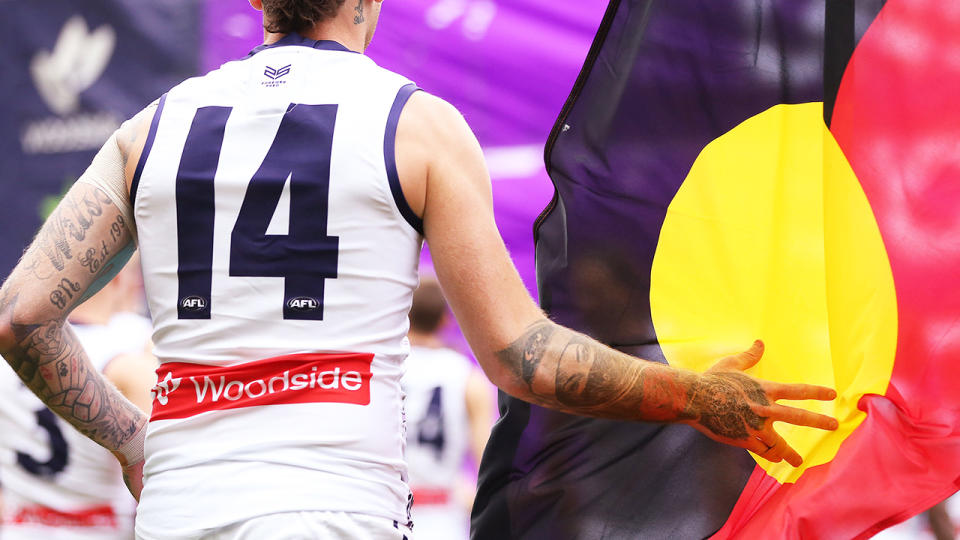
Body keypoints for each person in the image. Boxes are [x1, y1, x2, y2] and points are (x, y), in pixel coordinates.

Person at [0, 0, 840, 537]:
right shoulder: (416, 125)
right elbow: (521, 356)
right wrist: (694, 394)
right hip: (336, 510)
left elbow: (22, 315)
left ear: (255, 4)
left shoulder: (152, 127)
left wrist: (133, 440)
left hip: (184, 509)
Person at [0, 267, 155, 539]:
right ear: (116, 277)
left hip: (18, 530)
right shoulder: (131, 358)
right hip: (103, 532)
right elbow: (157, 474)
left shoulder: (5, 357)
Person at [402, 279, 494, 540]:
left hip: (384, 511)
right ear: (445, 320)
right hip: (442, 515)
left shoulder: (381, 369)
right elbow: (487, 461)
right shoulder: (467, 377)